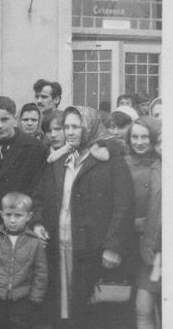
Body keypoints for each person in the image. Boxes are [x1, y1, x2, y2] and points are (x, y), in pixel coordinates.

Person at [33, 106, 134, 328]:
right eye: (66, 127)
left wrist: (113, 247)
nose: (69, 132)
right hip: (59, 247)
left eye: (75, 127)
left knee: (88, 309)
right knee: (61, 307)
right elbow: (40, 196)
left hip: (92, 249)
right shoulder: (59, 160)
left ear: (88, 127)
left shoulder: (109, 160)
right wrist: (38, 222)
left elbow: (123, 205)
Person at [0, 192, 48, 329]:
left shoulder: (34, 242)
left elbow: (41, 272)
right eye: (8, 215)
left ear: (29, 217)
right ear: (1, 214)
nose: (12, 220)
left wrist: (35, 298)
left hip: (23, 299)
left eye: (18, 215)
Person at [0, 96, 47, 232]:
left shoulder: (34, 147)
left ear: (15, 119)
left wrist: (36, 221)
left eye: (4, 119)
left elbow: (39, 189)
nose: (0, 126)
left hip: (22, 223)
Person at [124, 117, 161, 329]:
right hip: (132, 244)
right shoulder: (124, 162)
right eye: (135, 137)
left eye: (145, 137)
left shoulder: (163, 162)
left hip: (158, 244)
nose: (139, 142)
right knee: (139, 305)